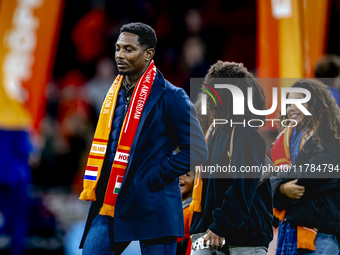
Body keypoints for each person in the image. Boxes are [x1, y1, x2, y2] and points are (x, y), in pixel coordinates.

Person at [78, 22, 208, 255]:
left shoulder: (172, 96)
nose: (120, 54)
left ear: (148, 54)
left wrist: (155, 175)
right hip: (112, 203)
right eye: (118, 48)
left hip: (154, 205)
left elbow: (197, 150)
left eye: (129, 49)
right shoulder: (112, 95)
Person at [189, 61, 273, 255]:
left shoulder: (243, 132)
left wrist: (221, 225)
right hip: (210, 234)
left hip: (241, 239)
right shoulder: (214, 131)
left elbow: (243, 185)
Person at [271, 79, 340, 255]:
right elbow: (265, 181)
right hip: (288, 229)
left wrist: (277, 182)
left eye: (298, 102)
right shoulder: (283, 140)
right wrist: (282, 188)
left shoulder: (331, 137)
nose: (291, 108)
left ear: (314, 104)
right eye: (288, 104)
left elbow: (311, 175)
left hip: (320, 232)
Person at [177, 171, 195, 255]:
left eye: (186, 175)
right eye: (176, 174)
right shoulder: (168, 209)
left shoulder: (192, 211)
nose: (179, 177)